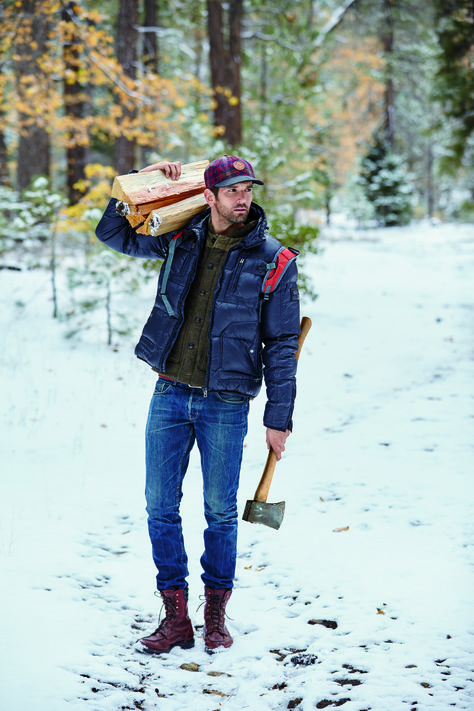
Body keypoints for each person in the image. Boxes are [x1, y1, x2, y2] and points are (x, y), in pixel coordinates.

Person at [95, 155, 300, 653]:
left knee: (219, 512)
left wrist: (278, 418)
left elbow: (283, 344)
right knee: (160, 507)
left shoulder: (275, 260)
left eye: (247, 189)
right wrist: (142, 184)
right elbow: (112, 233)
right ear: (208, 197)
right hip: (169, 392)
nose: (242, 197)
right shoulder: (179, 239)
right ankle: (175, 618)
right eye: (231, 190)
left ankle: (215, 617)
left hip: (226, 402)